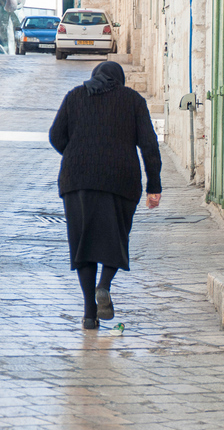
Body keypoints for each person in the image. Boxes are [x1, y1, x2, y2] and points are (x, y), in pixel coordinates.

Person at [49, 61, 162, 330]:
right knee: (116, 237)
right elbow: (149, 144)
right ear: (119, 80)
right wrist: (154, 185)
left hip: (77, 182)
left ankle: (89, 314)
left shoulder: (75, 96)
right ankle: (104, 285)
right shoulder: (133, 100)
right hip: (120, 181)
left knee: (82, 245)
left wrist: (78, 153)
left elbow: (55, 136)